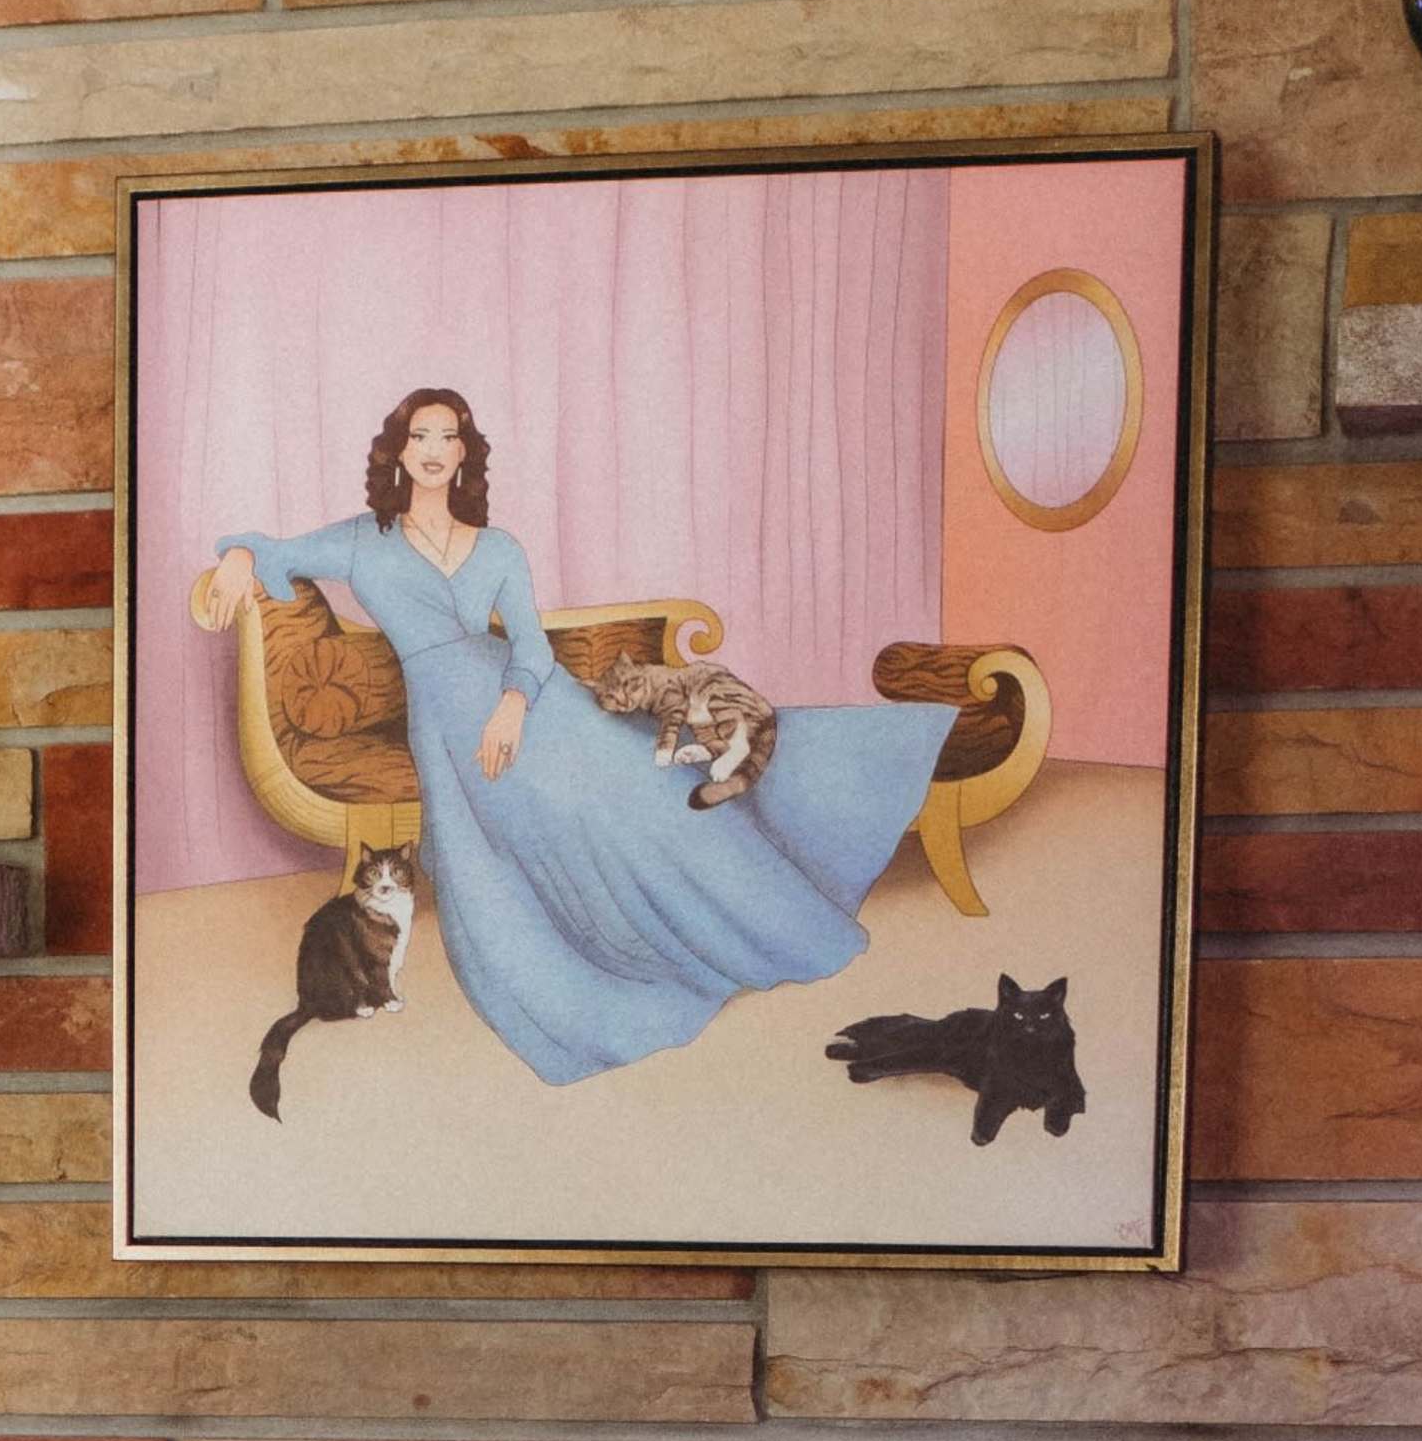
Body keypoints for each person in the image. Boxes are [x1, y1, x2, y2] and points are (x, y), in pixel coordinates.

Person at [192, 384, 954, 1093]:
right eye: (417, 434)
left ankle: (768, 918)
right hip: (447, 717)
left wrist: (516, 705)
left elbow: (530, 645)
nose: (431, 448)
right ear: (397, 450)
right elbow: (271, 546)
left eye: (447, 436)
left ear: (464, 454)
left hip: (529, 699)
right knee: (566, 813)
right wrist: (235, 559)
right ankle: (641, 952)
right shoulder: (365, 539)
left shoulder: (500, 548)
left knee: (644, 784)